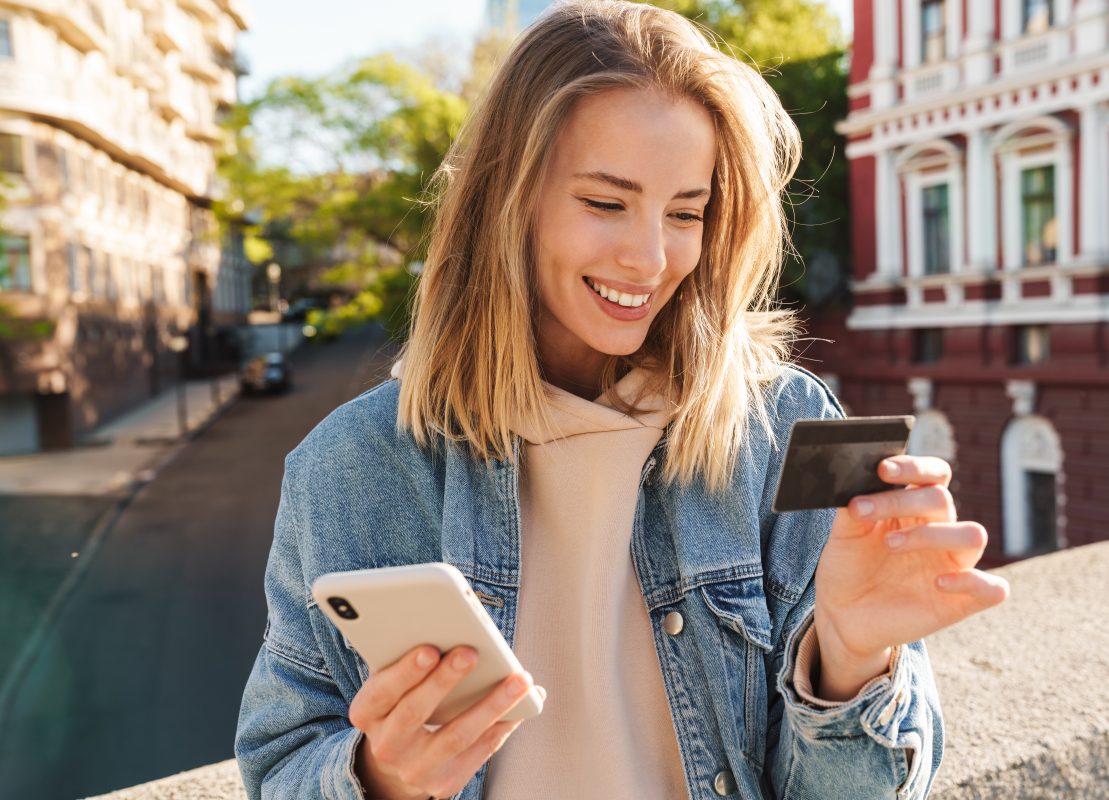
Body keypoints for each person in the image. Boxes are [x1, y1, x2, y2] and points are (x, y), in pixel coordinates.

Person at [234, 2, 1009, 798]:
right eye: (606, 202)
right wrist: (380, 778)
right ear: (509, 202)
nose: (649, 258)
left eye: (685, 212)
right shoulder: (351, 468)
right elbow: (280, 763)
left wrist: (849, 665)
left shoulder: (780, 431)